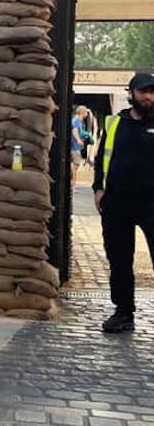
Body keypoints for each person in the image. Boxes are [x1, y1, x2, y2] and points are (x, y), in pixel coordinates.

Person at [92, 72, 154, 333]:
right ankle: (123, 313)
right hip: (117, 202)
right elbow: (101, 157)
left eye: (152, 92)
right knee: (119, 259)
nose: (149, 97)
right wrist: (98, 188)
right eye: (143, 92)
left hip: (151, 203)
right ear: (131, 93)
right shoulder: (116, 123)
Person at [71, 106, 89, 187]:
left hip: (76, 146)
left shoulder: (79, 121)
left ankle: (72, 184)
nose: (87, 114)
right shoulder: (76, 121)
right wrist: (78, 140)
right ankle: (73, 184)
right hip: (75, 147)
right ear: (82, 112)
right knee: (75, 165)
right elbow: (74, 131)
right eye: (86, 112)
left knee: (75, 165)